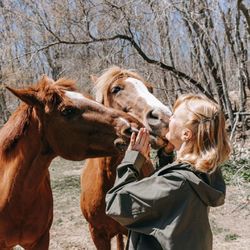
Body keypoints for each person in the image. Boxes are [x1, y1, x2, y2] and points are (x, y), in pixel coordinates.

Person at [105, 94, 231, 250]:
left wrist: (131, 161)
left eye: (174, 116)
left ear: (186, 134)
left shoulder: (176, 183)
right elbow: (168, 204)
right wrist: (166, 156)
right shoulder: (204, 174)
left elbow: (115, 204)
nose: (168, 119)